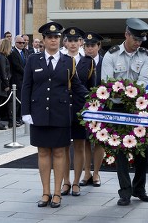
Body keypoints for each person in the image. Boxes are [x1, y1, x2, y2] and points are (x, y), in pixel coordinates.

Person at [22, 21, 88, 208]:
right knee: (43, 152)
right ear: (43, 40)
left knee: (59, 152)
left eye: (57, 37)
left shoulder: (69, 61)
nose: (54, 40)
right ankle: (45, 192)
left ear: (61, 40)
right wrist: (25, 112)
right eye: (50, 37)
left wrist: (96, 98)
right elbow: (26, 87)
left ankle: (57, 192)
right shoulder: (33, 60)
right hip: (39, 113)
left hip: (60, 113)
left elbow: (76, 86)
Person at [101, 18, 148, 206]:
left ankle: (140, 188)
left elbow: (144, 81)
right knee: (121, 149)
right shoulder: (111, 55)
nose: (138, 43)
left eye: (141, 40)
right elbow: (108, 82)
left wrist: (128, 91)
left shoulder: (145, 57)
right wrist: (127, 91)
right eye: (135, 39)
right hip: (117, 108)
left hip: (138, 107)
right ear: (126, 34)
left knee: (143, 150)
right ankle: (125, 190)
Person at [60, 27, 97, 197]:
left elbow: (91, 88)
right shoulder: (59, 59)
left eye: (76, 41)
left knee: (80, 145)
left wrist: (91, 108)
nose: (73, 44)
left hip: (80, 109)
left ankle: (76, 181)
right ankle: (65, 181)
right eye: (70, 40)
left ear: (81, 42)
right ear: (65, 42)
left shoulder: (88, 62)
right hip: (62, 109)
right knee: (64, 147)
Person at [81, 32, 105, 187]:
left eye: (92, 46)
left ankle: (96, 173)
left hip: (102, 106)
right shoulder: (80, 62)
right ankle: (86, 172)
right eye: (87, 46)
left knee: (99, 141)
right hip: (85, 105)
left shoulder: (105, 62)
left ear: (98, 46)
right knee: (85, 141)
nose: (89, 49)